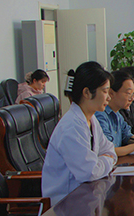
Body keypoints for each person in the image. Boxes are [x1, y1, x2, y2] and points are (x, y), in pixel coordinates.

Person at [42, 62, 116, 206]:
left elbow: (109, 150)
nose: (109, 98)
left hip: (86, 198)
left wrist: (104, 159)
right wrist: (108, 160)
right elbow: (89, 172)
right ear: (87, 92)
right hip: (66, 205)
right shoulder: (72, 127)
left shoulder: (91, 119)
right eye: (105, 91)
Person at [94, 70, 134, 157]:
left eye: (133, 94)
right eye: (128, 93)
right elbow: (108, 151)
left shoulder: (117, 114)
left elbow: (127, 135)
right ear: (111, 93)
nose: (131, 99)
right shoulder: (100, 115)